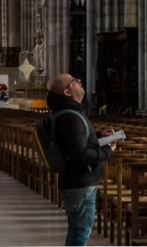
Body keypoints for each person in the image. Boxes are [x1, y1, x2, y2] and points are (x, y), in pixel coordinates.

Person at [46, 71, 112, 246]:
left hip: (77, 181)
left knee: (80, 229)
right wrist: (107, 150)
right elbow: (81, 154)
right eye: (73, 81)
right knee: (80, 231)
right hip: (80, 183)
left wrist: (98, 136)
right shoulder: (69, 116)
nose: (79, 80)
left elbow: (75, 142)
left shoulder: (68, 113)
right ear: (67, 92)